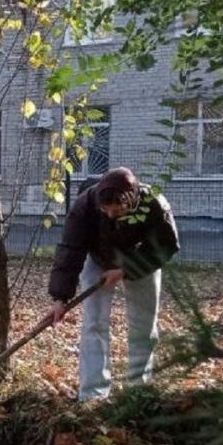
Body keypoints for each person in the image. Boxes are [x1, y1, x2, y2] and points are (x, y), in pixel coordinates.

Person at [45, 167, 180, 402]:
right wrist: (60, 299)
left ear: (132, 200)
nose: (109, 216)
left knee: (143, 325)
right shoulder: (85, 206)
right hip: (98, 258)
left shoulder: (154, 204)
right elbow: (70, 251)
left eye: (116, 211)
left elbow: (167, 245)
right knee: (93, 323)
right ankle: (93, 393)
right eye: (104, 211)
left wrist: (126, 270)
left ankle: (139, 388)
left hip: (141, 261)